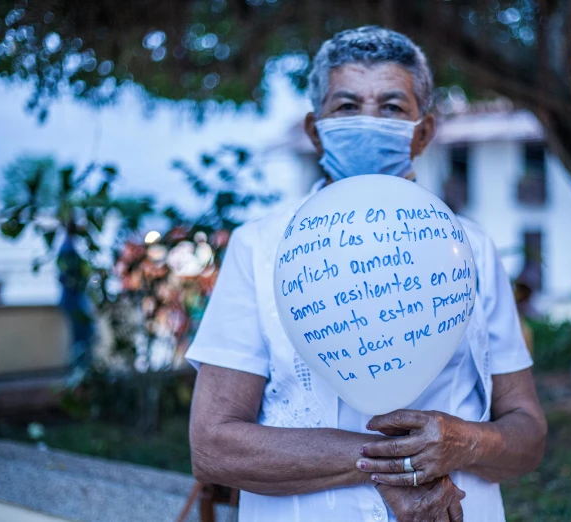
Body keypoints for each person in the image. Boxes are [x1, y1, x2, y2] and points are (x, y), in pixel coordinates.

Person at [186, 26, 547, 522]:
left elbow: (527, 437)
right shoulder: (260, 246)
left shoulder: (472, 249)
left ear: (423, 132)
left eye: (392, 107)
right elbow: (213, 446)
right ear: (315, 130)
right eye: (347, 107)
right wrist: (403, 462)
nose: (369, 121)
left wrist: (466, 441)